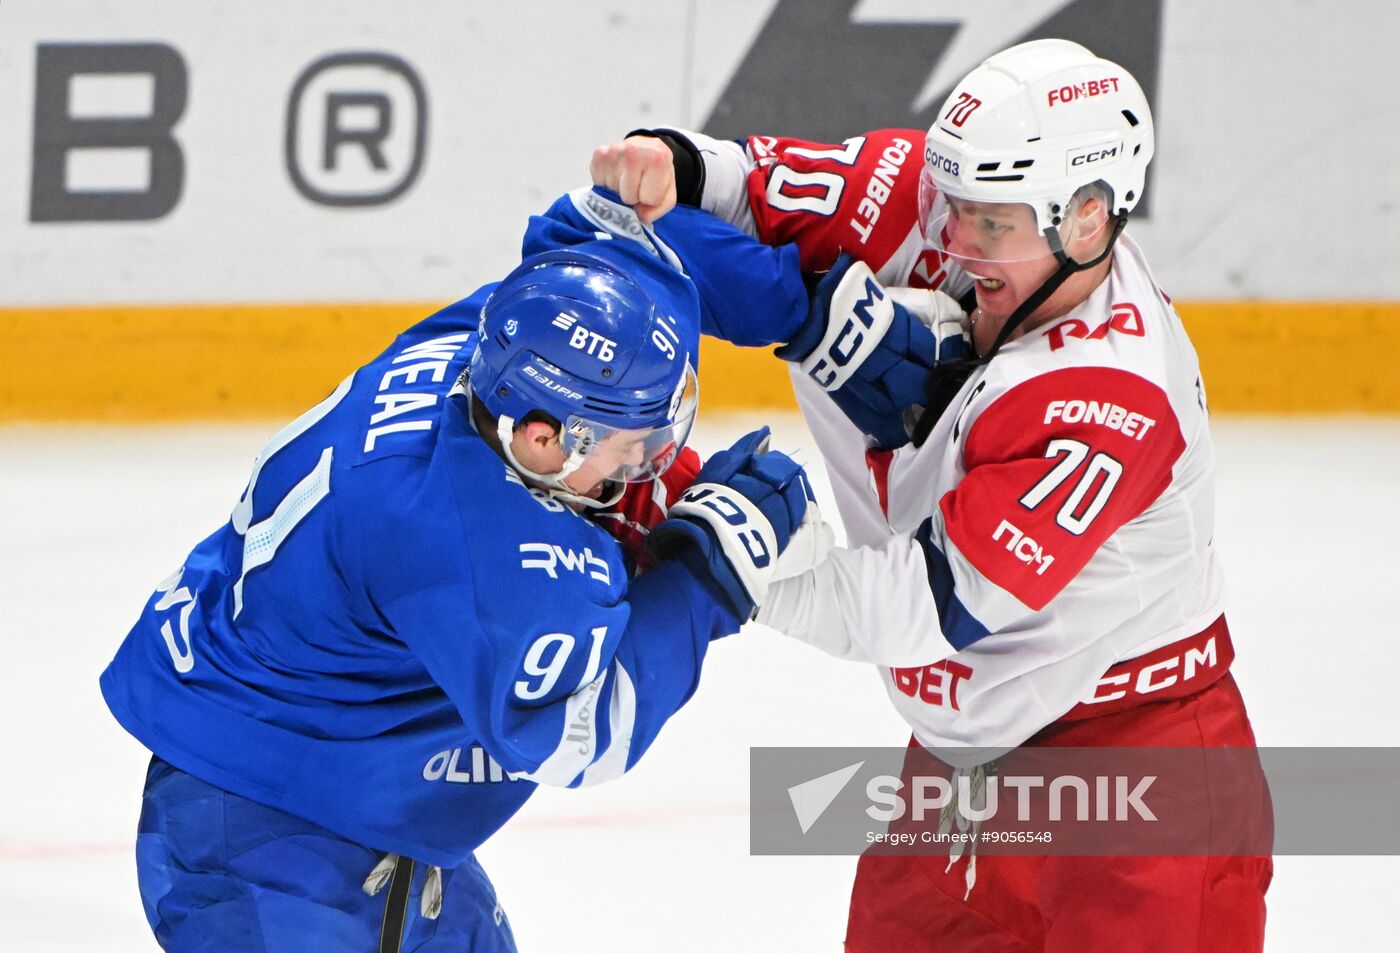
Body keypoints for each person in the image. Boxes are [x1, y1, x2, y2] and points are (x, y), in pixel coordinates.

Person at [593, 38, 1272, 953]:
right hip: (961, 777)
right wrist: (661, 167)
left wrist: (742, 564)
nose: (954, 243)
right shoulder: (929, 197)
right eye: (955, 208)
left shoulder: (1111, 395)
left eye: (994, 225)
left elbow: (921, 606)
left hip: (1140, 781)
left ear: (1086, 220)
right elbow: (740, 186)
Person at [99, 183, 823, 952]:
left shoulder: (488, 340)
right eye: (629, 447)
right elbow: (583, 731)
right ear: (545, 441)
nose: (646, 465)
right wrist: (707, 572)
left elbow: (594, 230)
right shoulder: (474, 544)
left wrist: (803, 312)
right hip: (267, 840)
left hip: (342, 780)